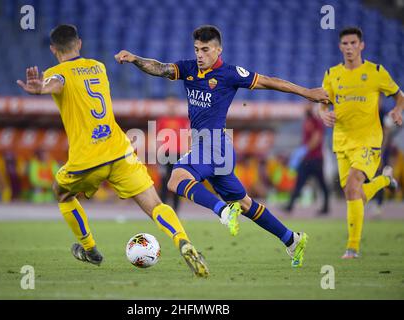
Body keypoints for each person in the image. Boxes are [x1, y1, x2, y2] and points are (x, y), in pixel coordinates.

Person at [115, 25, 330, 268]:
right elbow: (160, 68)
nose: (199, 54)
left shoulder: (230, 74)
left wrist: (307, 92)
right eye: (196, 49)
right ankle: (292, 239)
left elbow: (270, 82)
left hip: (214, 145)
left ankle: (222, 211)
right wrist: (135, 59)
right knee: (246, 204)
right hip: (216, 151)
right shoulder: (188, 69)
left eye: (205, 49)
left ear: (218, 49)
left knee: (175, 179)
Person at [17, 24, 209, 277]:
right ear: (80, 43)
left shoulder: (57, 73)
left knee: (61, 193)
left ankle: (90, 249)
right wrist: (45, 86)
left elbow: (56, 82)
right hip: (120, 151)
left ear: (53, 49)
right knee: (154, 204)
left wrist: (40, 88)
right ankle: (182, 240)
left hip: (87, 158)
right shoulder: (99, 67)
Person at [319, 27, 403, 259]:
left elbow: (399, 95)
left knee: (354, 185)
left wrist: (397, 109)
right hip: (341, 141)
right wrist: (323, 113)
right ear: (340, 47)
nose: (349, 48)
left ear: (361, 45)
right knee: (352, 194)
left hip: (369, 141)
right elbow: (322, 103)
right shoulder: (332, 74)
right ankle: (385, 179)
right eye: (345, 44)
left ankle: (352, 248)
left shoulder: (375, 72)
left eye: (353, 43)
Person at [285, 103, 330, 215]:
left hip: (314, 158)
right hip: (309, 158)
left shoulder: (316, 121)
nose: (305, 107)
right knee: (305, 182)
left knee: (319, 183)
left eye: (308, 105)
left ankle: (325, 207)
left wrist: (305, 149)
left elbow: (317, 138)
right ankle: (290, 205)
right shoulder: (307, 121)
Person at [156, 95, 189, 213]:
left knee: (177, 182)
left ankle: (175, 211)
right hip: (165, 154)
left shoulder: (183, 121)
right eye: (169, 105)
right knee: (164, 182)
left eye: (173, 105)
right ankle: (164, 210)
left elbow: (187, 138)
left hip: (179, 154)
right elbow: (158, 140)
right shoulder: (162, 121)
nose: (171, 107)